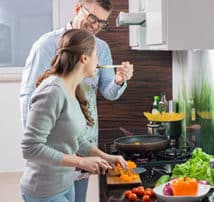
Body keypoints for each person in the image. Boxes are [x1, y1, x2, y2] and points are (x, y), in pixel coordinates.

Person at [20, 0, 133, 201]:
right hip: (50, 168)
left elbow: (107, 94)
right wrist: (40, 138)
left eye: (101, 22)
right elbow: (31, 138)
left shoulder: (77, 84)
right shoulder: (48, 56)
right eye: (92, 18)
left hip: (77, 150)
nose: (96, 26)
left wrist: (119, 80)